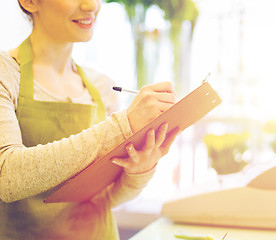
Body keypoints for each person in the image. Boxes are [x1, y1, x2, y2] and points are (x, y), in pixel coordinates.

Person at [0, 0, 179, 239]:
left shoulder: (102, 87)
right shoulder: (6, 73)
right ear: (30, 2)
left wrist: (139, 171)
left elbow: (106, 198)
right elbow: (9, 178)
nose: (91, 5)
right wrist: (123, 125)